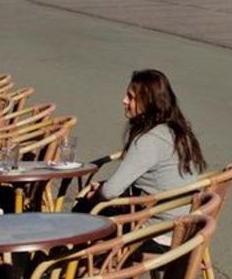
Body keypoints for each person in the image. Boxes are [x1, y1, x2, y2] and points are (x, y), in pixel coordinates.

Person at [79, 69, 206, 218]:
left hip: (156, 228)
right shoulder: (180, 132)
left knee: (82, 208)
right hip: (187, 222)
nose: (124, 100)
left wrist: (96, 195)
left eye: (131, 97)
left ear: (148, 103)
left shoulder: (148, 140)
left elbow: (110, 192)